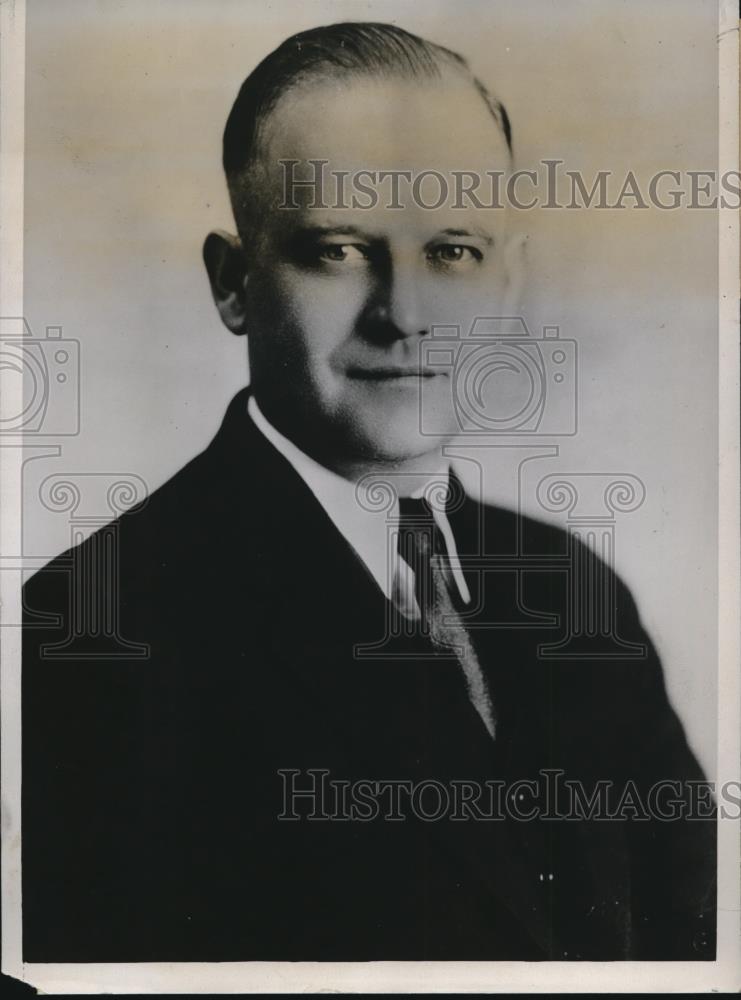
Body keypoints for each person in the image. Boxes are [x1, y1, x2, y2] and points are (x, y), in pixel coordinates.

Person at [22, 21, 715, 962]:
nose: (405, 317)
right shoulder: (88, 633)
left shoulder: (573, 588)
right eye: (340, 249)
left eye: (453, 252)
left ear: (505, 281)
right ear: (234, 284)